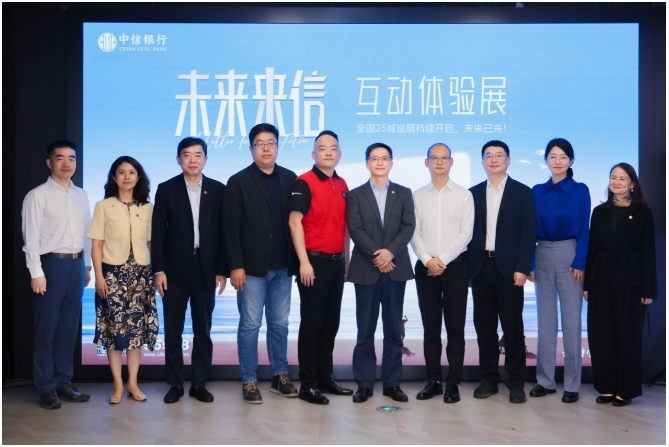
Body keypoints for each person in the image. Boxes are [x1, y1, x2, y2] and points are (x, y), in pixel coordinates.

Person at [225, 123, 298, 404]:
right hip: (251, 269)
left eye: (271, 143)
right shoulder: (238, 181)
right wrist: (235, 265)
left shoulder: (290, 178)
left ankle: (280, 375)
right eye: (260, 143)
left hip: (283, 266)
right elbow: (230, 228)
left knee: (280, 325)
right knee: (250, 325)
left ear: (278, 146)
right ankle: (249, 379)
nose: (266, 148)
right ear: (251, 148)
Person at [152, 137, 228, 404]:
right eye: (187, 155)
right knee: (173, 330)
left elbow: (223, 233)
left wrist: (222, 270)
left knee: (203, 330)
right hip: (173, 271)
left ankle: (199, 383)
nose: (193, 160)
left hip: (206, 269)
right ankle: (175, 384)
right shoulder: (166, 189)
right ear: (178, 159)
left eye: (198, 155)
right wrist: (159, 271)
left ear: (206, 159)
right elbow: (158, 234)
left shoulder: (218, 190)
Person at [21, 139, 92, 409]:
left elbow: (87, 232)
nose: (66, 163)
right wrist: (36, 272)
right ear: (49, 162)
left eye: (72, 158)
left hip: (76, 266)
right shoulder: (37, 195)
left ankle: (64, 381)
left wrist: (86, 267)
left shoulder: (81, 195)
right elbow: (30, 238)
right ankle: (46, 386)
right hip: (50, 266)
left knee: (68, 329)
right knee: (46, 329)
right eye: (60, 158)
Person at [468, 140, 536, 404]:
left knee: (512, 327)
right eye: (489, 155)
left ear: (508, 161)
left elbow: (528, 233)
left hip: (510, 270)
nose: (494, 159)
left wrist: (522, 268)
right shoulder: (472, 194)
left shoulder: (522, 192)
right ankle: (488, 380)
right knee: (484, 327)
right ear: (482, 162)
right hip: (481, 267)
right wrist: (468, 270)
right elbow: (466, 234)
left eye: (499, 155)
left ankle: (516, 382)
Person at [347, 143, 415, 404]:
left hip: (395, 269)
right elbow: (356, 229)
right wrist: (379, 255)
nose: (379, 162)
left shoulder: (404, 193)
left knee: (394, 330)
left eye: (384, 158)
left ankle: (392, 383)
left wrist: (390, 254)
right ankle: (364, 384)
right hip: (366, 269)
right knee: (365, 329)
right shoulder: (355, 195)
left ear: (391, 163)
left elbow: (408, 227)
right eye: (374, 158)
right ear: (367, 163)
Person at [288, 130, 353, 405]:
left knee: (330, 324)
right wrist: (303, 262)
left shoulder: (342, 183)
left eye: (333, 148)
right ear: (314, 154)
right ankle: (309, 385)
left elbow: (344, 226)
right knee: (312, 325)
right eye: (322, 148)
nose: (328, 152)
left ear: (339, 154)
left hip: (337, 263)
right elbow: (294, 222)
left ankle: (325, 379)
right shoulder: (304, 182)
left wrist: (347, 260)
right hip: (312, 264)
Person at [584, 163, 656, 407]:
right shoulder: (599, 211)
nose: (616, 182)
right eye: (613, 177)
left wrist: (648, 289)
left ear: (632, 184)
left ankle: (625, 390)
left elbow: (648, 252)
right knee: (601, 334)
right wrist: (587, 285)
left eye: (622, 178)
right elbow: (593, 248)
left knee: (627, 336)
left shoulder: (643, 212)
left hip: (630, 280)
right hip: (600, 279)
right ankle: (606, 387)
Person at [88, 156, 159, 404]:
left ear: (138, 177)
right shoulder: (103, 206)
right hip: (112, 277)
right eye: (121, 172)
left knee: (136, 332)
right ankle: (117, 384)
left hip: (141, 277)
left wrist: (157, 273)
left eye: (131, 172)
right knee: (114, 332)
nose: (127, 177)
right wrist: (99, 277)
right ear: (114, 177)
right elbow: (96, 246)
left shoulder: (148, 207)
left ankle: (133, 383)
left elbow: (151, 243)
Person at [411, 143, 474, 404]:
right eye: (434, 158)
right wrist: (428, 260)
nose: (439, 162)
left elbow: (466, 233)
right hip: (425, 268)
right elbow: (413, 232)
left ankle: (453, 383)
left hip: (455, 267)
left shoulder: (464, 195)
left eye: (444, 157)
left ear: (451, 162)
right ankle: (434, 381)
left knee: (455, 328)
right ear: (426, 162)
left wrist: (442, 259)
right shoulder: (417, 196)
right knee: (431, 328)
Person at [528, 138, 590, 404]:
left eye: (563, 157)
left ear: (571, 161)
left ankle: (572, 384)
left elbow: (585, 228)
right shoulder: (537, 191)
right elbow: (530, 230)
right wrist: (530, 262)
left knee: (572, 321)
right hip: (542, 252)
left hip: (569, 254)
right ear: (546, 160)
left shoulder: (580, 190)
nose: (557, 161)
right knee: (545, 321)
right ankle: (545, 380)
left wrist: (580, 261)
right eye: (552, 156)